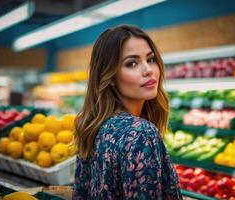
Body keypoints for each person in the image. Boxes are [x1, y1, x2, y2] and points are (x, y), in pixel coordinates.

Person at [73, 24, 182, 199]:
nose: (148, 70)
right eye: (132, 63)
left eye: (151, 59)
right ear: (110, 77)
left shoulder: (94, 127)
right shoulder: (140, 133)